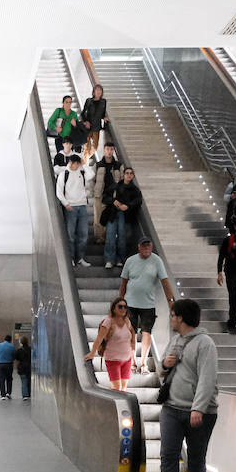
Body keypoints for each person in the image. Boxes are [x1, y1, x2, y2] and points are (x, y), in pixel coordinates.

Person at [150, 299, 219, 472]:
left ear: (181, 317)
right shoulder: (175, 341)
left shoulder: (205, 343)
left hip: (199, 412)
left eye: (172, 315)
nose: (170, 319)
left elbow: (207, 380)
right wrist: (165, 365)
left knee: (197, 457)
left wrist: (198, 408)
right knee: (168, 454)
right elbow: (161, 371)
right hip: (171, 408)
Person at [117, 238, 175, 373]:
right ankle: (132, 361)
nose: (146, 248)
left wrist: (170, 301)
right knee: (130, 333)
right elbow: (124, 283)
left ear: (152, 247)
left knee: (147, 332)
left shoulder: (157, 261)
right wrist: (120, 301)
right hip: (130, 303)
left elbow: (165, 282)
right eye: (144, 246)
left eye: (148, 246)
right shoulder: (131, 261)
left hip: (148, 304)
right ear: (139, 247)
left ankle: (143, 362)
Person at [85, 297, 135, 390]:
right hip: (113, 360)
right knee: (117, 387)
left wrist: (133, 349)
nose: (123, 309)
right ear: (114, 308)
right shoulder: (108, 321)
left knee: (123, 388)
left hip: (127, 359)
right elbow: (99, 339)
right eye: (120, 307)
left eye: (125, 307)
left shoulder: (126, 321)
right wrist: (92, 353)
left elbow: (132, 333)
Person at [56, 154, 94, 267]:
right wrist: (66, 204)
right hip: (71, 207)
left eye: (79, 164)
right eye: (77, 164)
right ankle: (71, 258)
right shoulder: (64, 174)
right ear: (71, 163)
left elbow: (91, 175)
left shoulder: (81, 172)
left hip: (82, 206)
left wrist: (84, 164)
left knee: (83, 234)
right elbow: (58, 191)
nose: (78, 166)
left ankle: (80, 258)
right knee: (70, 234)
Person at [105, 166, 143, 265]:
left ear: (133, 176)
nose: (129, 175)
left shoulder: (135, 190)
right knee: (110, 236)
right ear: (124, 174)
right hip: (112, 214)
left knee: (122, 238)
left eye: (131, 173)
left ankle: (120, 259)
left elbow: (138, 201)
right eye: (127, 173)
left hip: (126, 216)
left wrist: (128, 206)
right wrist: (114, 201)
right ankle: (109, 260)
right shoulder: (116, 186)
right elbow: (105, 197)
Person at [0, 334, 16, 400]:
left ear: (4, 339)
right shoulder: (12, 347)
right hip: (9, 364)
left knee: (1, 380)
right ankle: (8, 393)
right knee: (9, 379)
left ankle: (3, 395)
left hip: (0, 365)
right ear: (10, 340)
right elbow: (14, 356)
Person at [15, 336, 32, 401]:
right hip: (29, 368)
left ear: (21, 342)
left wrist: (17, 367)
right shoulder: (30, 349)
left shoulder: (19, 350)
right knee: (29, 381)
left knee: (24, 382)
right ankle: (29, 394)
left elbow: (16, 359)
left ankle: (25, 395)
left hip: (22, 368)